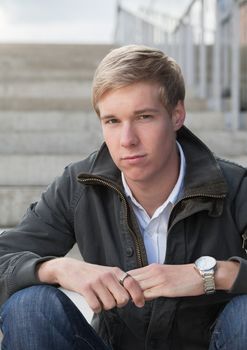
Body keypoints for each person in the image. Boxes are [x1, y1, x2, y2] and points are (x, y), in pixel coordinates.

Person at [0, 44, 247, 350]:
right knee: (30, 307)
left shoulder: (235, 187)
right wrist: (56, 268)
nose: (127, 140)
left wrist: (212, 275)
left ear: (177, 115)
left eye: (143, 117)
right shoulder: (78, 187)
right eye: (112, 121)